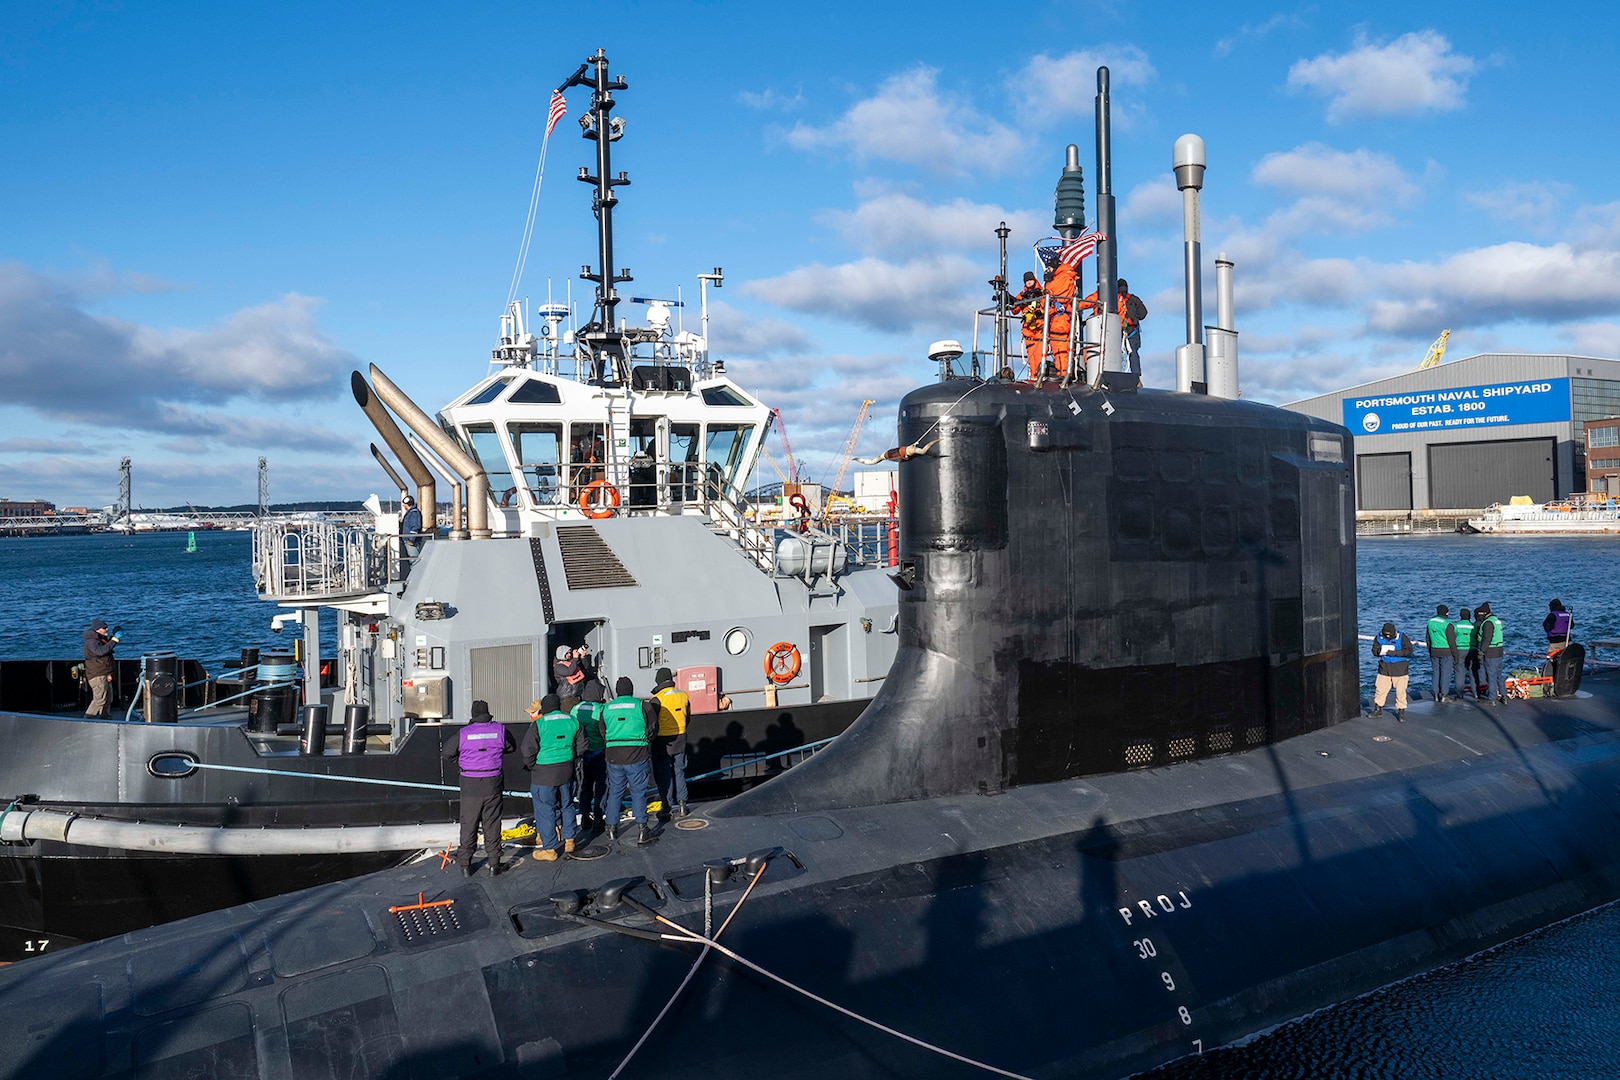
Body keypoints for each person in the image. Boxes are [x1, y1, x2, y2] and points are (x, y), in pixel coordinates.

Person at [440, 699, 515, 876]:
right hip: (493, 781)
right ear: (488, 712)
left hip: (470, 783)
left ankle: (465, 865)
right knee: (492, 822)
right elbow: (511, 748)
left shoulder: (464, 733)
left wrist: (463, 762)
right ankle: (494, 864)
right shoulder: (499, 730)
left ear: (473, 714)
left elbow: (447, 753)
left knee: (468, 823)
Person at [521, 694, 586, 861]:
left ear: (545, 708)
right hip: (567, 770)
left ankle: (549, 849)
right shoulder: (572, 721)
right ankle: (570, 840)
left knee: (545, 809)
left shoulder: (539, 724)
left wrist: (532, 765)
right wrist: (572, 757)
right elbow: (582, 744)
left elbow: (527, 749)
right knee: (567, 804)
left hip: (543, 773)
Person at [602, 676, 658, 846]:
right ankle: (642, 829)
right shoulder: (642, 705)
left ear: (618, 691)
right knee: (638, 791)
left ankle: (611, 828)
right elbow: (653, 728)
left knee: (615, 791)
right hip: (637, 754)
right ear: (631, 690)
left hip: (613, 755)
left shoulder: (606, 708)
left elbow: (602, 731)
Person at [650, 667, 692, 820]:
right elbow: (688, 717)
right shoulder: (683, 695)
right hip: (681, 737)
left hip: (662, 741)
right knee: (679, 771)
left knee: (664, 775)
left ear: (659, 680)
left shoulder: (657, 699)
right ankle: (682, 805)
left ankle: (666, 806)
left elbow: (652, 723)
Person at [574, 680, 608, 833]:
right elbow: (605, 730)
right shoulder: (601, 709)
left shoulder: (575, 709)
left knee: (585, 785)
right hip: (599, 752)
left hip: (582, 754)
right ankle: (599, 816)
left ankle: (584, 816)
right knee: (602, 785)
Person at [1369, 621, 1413, 721]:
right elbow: (1374, 650)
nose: (1388, 636)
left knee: (1400, 691)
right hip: (1384, 668)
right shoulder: (1379, 637)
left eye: (1389, 634)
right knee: (1380, 690)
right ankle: (1378, 709)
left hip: (1400, 669)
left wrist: (1396, 653)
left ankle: (1401, 711)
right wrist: (1379, 651)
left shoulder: (1402, 637)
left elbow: (1409, 651)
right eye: (1386, 634)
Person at [1010, 272, 1046, 381]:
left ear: (1034, 280)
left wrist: (1041, 312)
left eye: (1030, 280)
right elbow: (1014, 311)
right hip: (1028, 330)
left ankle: (1039, 376)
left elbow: (1049, 306)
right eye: (1027, 281)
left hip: (1039, 329)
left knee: (1040, 354)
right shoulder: (1022, 294)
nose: (1029, 282)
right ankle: (1033, 376)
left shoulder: (1042, 293)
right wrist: (1018, 303)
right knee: (1031, 355)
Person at [82, 618, 118, 718]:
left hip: (105, 673)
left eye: (107, 627)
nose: (107, 629)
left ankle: (105, 717)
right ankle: (87, 720)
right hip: (97, 674)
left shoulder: (99, 639)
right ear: (97, 629)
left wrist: (112, 638)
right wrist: (114, 640)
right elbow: (101, 651)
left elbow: (106, 646)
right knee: (100, 699)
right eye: (104, 628)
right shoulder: (92, 642)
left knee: (108, 698)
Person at [1425, 604, 1459, 703]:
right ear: (1446, 613)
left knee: (1436, 672)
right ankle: (1444, 695)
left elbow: (1427, 638)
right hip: (1446, 651)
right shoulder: (1448, 624)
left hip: (1434, 650)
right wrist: (1455, 655)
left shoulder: (1430, 622)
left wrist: (1430, 650)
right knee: (1446, 673)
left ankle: (1435, 694)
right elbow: (1451, 641)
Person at [1116, 278, 1148, 376]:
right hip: (1133, 331)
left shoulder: (1115, 300)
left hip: (1119, 332)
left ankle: (1116, 375)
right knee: (1133, 352)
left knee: (1115, 352)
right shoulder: (1134, 299)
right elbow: (1143, 313)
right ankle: (1136, 376)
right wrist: (1134, 318)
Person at [1477, 603, 1507, 705]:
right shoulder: (1496, 621)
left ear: (1484, 613)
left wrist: (1481, 652)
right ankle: (1504, 695)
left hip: (1491, 652)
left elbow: (1487, 639)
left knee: (1491, 676)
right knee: (1499, 675)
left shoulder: (1488, 623)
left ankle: (1492, 698)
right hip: (1499, 650)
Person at [1455, 607, 1480, 699]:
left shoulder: (1456, 626)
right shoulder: (1474, 626)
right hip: (1472, 649)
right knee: (1473, 671)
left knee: (1459, 671)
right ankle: (1476, 692)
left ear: (1460, 616)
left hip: (1459, 649)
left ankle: (1459, 693)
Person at [552, 645, 586, 713]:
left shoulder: (572, 663)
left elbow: (585, 669)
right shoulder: (558, 666)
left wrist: (583, 657)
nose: (569, 655)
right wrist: (575, 658)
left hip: (577, 695)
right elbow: (569, 672)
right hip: (567, 697)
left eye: (570, 653)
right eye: (567, 653)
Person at [398, 496, 423, 576]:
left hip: (411, 541)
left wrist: (411, 540)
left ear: (406, 504)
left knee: (414, 560)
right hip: (408, 539)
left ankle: (416, 577)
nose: (403, 506)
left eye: (404, 504)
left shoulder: (414, 513)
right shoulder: (411, 512)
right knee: (413, 560)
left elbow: (415, 527)